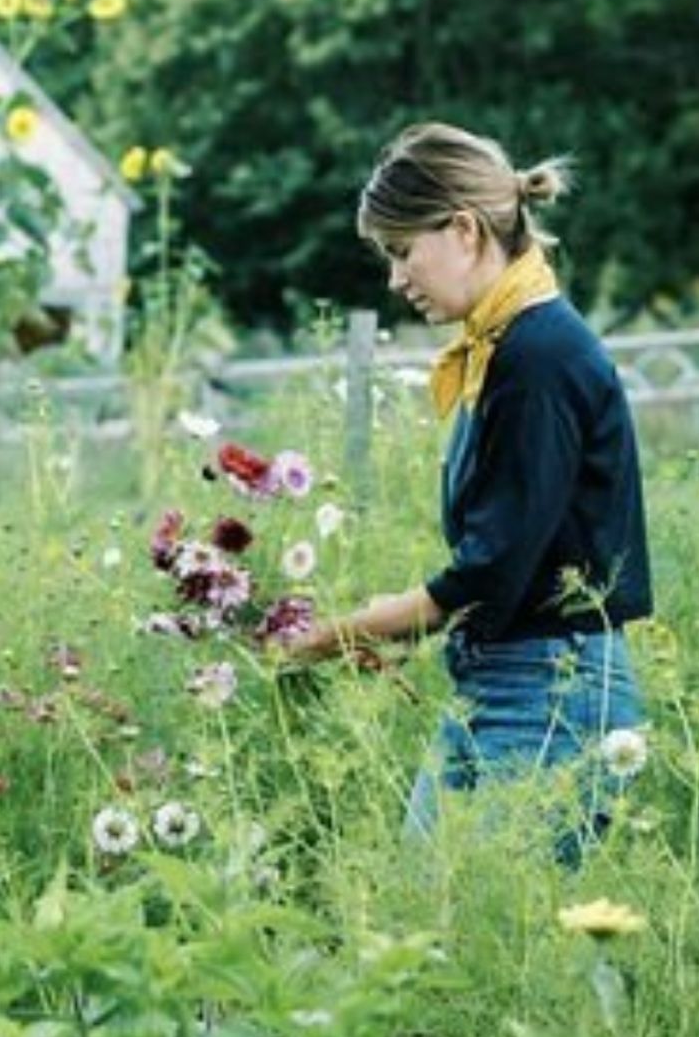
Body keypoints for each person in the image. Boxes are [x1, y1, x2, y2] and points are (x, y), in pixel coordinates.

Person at [278, 121, 654, 865]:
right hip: (504, 679)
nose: (396, 279)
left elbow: (493, 566)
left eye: (401, 251)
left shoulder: (538, 357)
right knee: (427, 926)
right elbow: (509, 555)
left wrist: (349, 631)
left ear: (463, 229)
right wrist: (407, 623)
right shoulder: (507, 347)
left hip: (554, 690)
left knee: (521, 955)